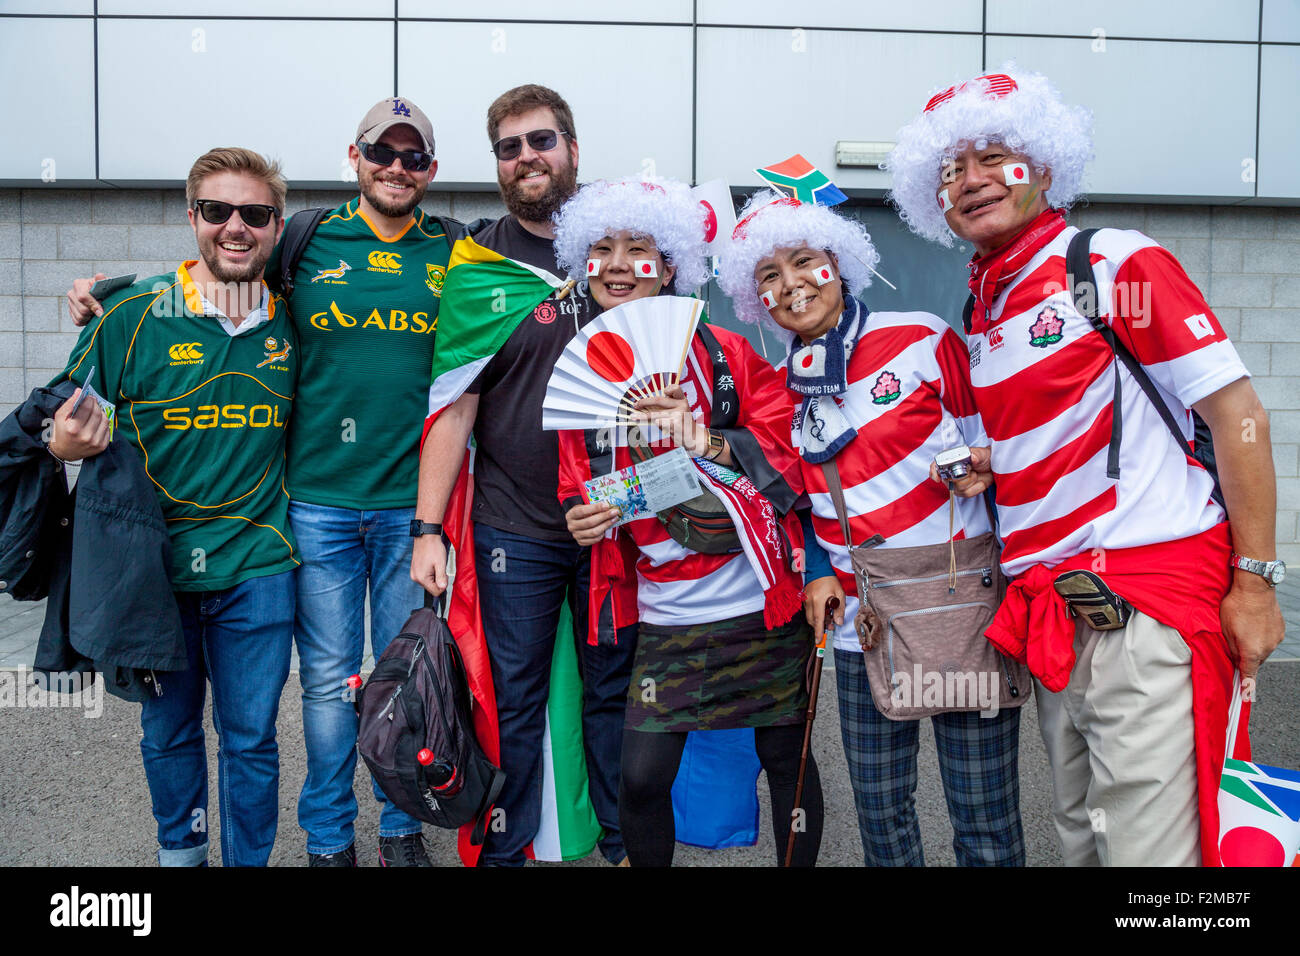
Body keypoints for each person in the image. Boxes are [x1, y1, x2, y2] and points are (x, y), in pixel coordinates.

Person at [887, 68, 1286, 866]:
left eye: (992, 156)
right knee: (1085, 843)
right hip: (1053, 613)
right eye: (950, 171)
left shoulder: (1109, 262)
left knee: (1148, 859)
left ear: (1041, 162)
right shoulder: (984, 307)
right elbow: (1068, 431)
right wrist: (986, 465)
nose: (970, 181)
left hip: (1145, 603)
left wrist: (1256, 582)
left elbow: (1237, 416)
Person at [65, 97, 453, 867]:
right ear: (356, 155)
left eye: (414, 157)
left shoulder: (458, 251)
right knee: (329, 688)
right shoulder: (305, 241)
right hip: (311, 510)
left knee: (405, 675)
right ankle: (327, 839)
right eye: (384, 151)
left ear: (432, 171)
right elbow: (210, 273)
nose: (397, 167)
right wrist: (108, 294)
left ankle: (401, 826)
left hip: (407, 510)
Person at [717, 190, 1025, 866]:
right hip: (862, 624)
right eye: (769, 275)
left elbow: (1003, 445)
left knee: (985, 816)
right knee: (882, 818)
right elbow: (794, 507)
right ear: (756, 298)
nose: (791, 285)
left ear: (839, 263)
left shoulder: (922, 338)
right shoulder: (777, 386)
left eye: (804, 262)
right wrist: (820, 571)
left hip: (961, 604)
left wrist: (989, 468)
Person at [553, 178, 823, 866]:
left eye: (638, 248)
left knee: (785, 760)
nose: (617, 263)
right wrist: (582, 518)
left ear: (670, 265)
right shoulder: (585, 370)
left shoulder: (727, 356)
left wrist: (701, 436)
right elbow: (575, 484)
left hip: (758, 601)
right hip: (666, 611)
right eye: (601, 248)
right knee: (641, 777)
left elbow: (791, 455)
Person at [50, 147, 298, 866]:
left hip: (258, 567)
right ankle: (179, 857)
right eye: (217, 211)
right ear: (192, 218)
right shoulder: (131, 314)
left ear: (276, 226)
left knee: (250, 739)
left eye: (254, 213)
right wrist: (66, 446)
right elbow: (64, 426)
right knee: (169, 733)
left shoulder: (295, 319)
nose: (235, 227)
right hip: (152, 576)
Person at [412, 84, 636, 866]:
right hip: (516, 527)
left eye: (541, 141)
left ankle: (620, 844)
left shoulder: (619, 247)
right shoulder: (478, 268)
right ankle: (507, 853)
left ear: (573, 149)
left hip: (619, 518)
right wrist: (427, 528)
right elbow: (454, 407)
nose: (526, 158)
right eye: (509, 148)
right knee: (511, 702)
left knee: (615, 693)